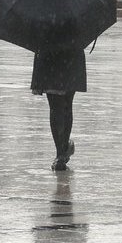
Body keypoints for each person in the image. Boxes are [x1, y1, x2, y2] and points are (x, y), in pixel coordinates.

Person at [32, 42, 86, 171]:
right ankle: (62, 151)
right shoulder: (76, 22)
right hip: (70, 53)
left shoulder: (44, 22)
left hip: (51, 54)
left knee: (57, 107)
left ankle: (61, 153)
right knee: (65, 105)